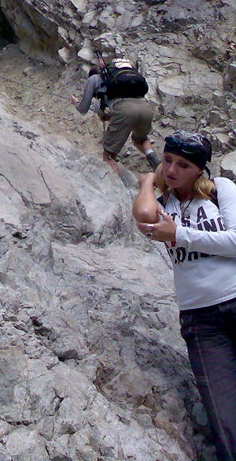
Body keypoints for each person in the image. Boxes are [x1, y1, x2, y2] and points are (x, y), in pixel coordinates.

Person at [133, 130, 236, 461]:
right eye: (167, 160)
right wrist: (149, 181)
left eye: (183, 165)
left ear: (200, 169)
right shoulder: (162, 205)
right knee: (225, 416)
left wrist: (180, 234)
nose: (173, 170)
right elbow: (145, 219)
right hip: (200, 319)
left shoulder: (222, 191)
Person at [71, 64, 159, 170]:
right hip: (146, 108)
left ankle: (114, 184)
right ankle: (152, 156)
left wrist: (76, 102)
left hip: (124, 109)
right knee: (140, 139)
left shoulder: (93, 79)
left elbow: (83, 109)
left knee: (109, 155)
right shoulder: (119, 80)